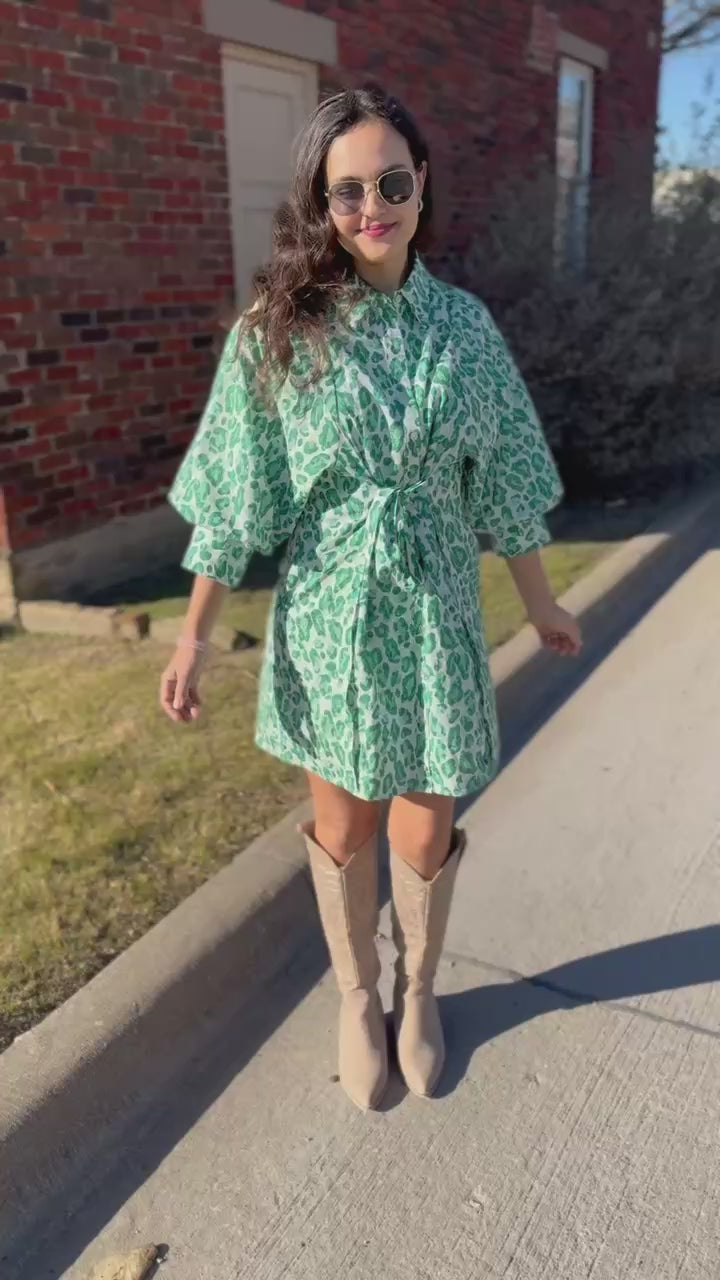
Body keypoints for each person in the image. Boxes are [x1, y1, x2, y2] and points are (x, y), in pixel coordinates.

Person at [160, 86, 582, 1112]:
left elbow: (509, 477)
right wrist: (194, 636)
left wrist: (541, 604)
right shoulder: (279, 332)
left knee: (423, 828)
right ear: (321, 200)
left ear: (421, 182)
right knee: (344, 828)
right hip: (328, 616)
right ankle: (355, 993)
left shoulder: (465, 329)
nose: (371, 207)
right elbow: (233, 493)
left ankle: (418, 987)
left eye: (391, 183)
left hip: (435, 612)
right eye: (345, 190)